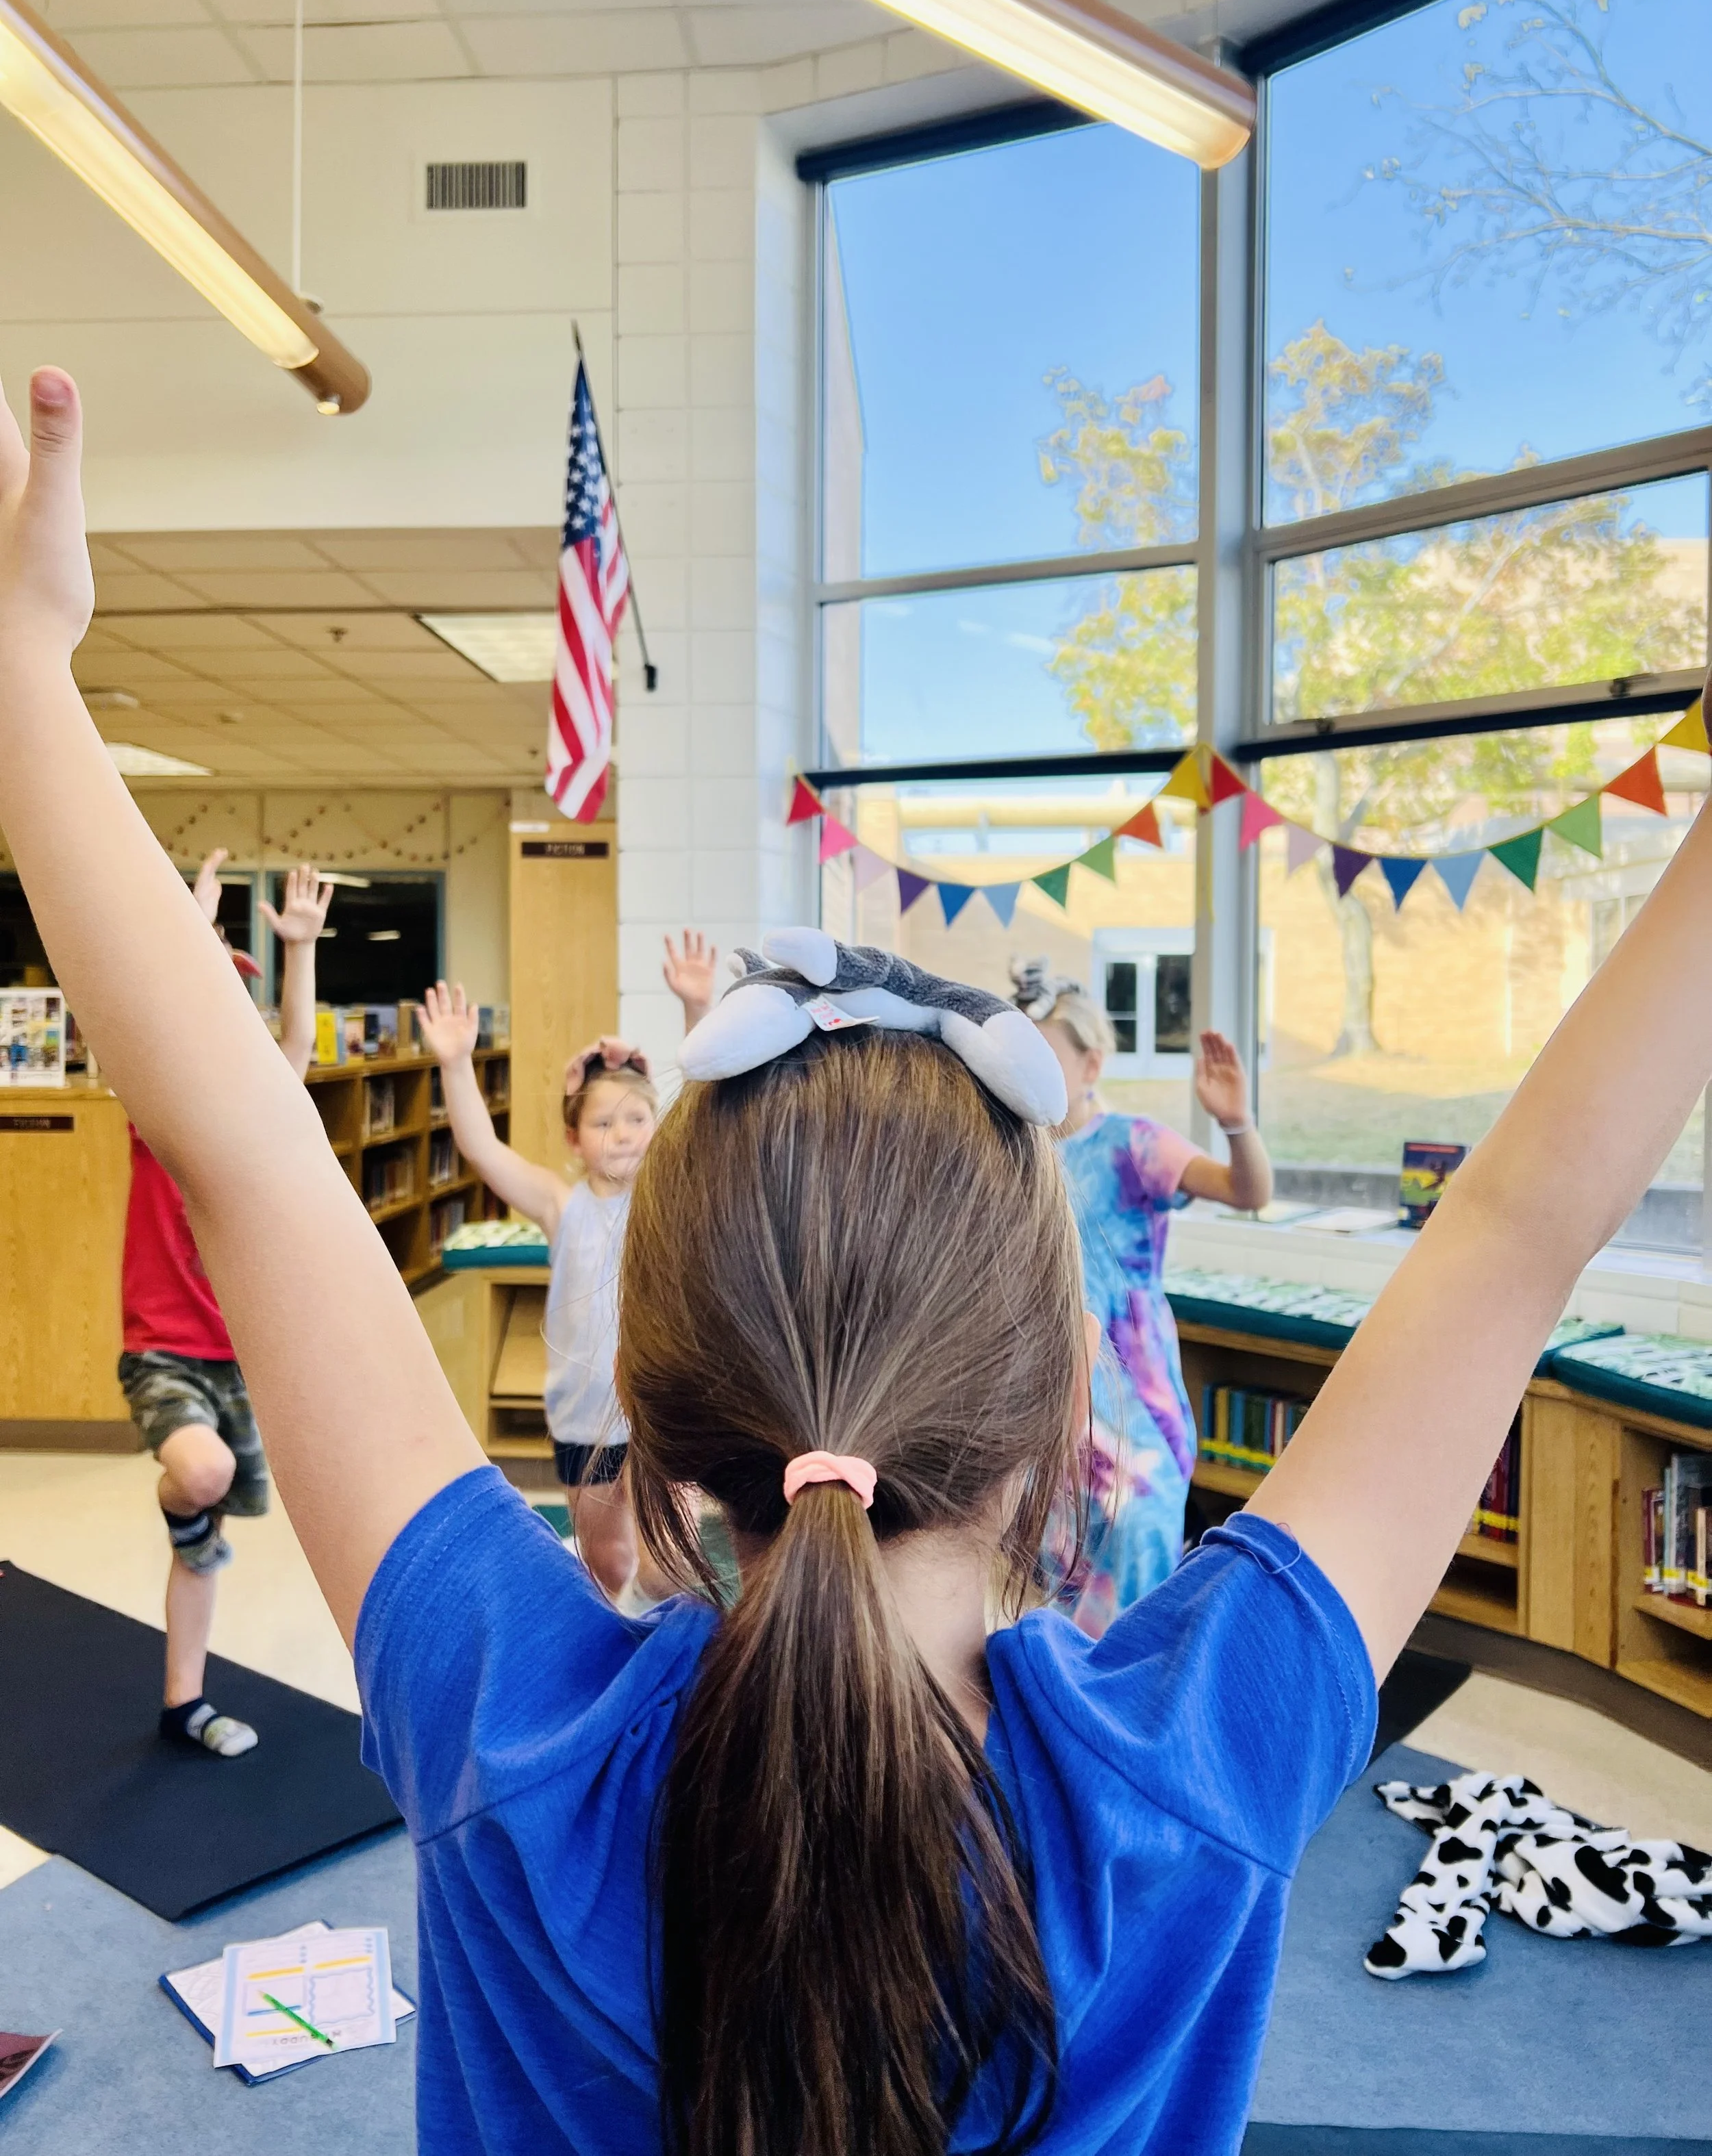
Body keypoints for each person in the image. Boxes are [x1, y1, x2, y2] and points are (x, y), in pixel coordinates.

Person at [7, 366, 1712, 2155]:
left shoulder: (509, 1734)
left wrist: (26, 672)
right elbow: (1515, 1232)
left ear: (662, 1429)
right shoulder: (1192, 1772)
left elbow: (256, 1160)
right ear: (1065, 1399)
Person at [120, 850, 332, 1757]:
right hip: (163, 1351)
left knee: (202, 1542)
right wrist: (183, 933)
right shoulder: (155, 1105)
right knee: (200, 1480)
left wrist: (298, 951)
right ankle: (186, 1509)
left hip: (233, 1355)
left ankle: (184, 1705)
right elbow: (146, 1014)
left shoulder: (250, 1110)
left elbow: (292, 1049)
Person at [1013, 961, 1273, 1632]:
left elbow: (1249, 1192)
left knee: (1134, 1535)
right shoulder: (1014, 1151)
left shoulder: (1133, 1144)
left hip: (1132, 1401)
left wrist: (1237, 1126)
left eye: (1043, 1055)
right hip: (1041, 1393)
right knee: (1035, 1563)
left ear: (1091, 1063)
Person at [416, 980, 661, 1604]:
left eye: (637, 1118)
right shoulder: (563, 1203)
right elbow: (480, 1148)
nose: (624, 1132)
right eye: (604, 1121)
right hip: (584, 1415)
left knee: (665, 1562)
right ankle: (607, 1650)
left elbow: (708, 1125)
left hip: (654, 1410)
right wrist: (454, 1061)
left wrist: (689, 1009)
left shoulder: (665, 1200)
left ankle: (667, 1661)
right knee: (608, 1561)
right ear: (574, 1139)